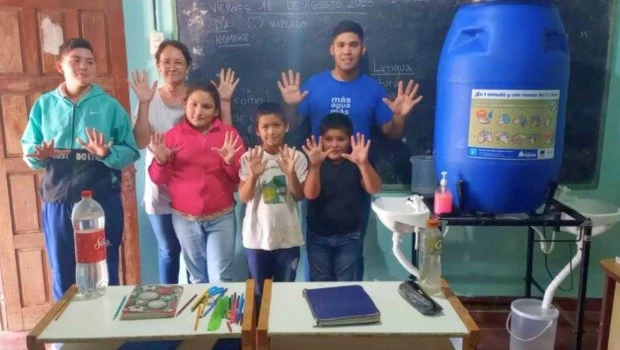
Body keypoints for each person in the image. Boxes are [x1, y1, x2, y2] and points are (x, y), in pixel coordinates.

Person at [277, 20, 423, 280]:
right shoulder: (315, 85)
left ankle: (352, 306)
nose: (347, 51)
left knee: (352, 251)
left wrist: (399, 116)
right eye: (341, 45)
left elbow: (392, 132)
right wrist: (289, 106)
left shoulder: (373, 89)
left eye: (353, 45)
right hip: (317, 176)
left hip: (357, 179)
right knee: (317, 251)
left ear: (363, 49)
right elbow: (293, 124)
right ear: (331, 49)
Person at [21, 37, 140, 301]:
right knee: (63, 271)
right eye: (75, 61)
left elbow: (131, 151)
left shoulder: (109, 106)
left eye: (89, 62)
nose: (83, 67)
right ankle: (66, 339)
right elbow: (29, 150)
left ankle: (106, 336)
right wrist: (38, 156)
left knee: (103, 269)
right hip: (58, 200)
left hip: (101, 200)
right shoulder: (44, 106)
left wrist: (106, 153)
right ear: (60, 65)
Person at [129, 39, 239, 284]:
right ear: (157, 65)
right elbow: (140, 141)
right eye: (166, 61)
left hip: (211, 204)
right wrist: (145, 103)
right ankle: (169, 306)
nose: (172, 66)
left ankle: (210, 315)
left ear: (188, 66)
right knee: (170, 251)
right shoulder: (155, 106)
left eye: (178, 62)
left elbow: (226, 140)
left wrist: (226, 102)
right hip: (166, 191)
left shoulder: (199, 97)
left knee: (213, 273)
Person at [148, 83, 245, 283]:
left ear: (216, 111)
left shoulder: (229, 135)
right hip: (185, 220)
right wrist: (160, 161)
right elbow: (159, 179)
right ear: (185, 105)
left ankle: (221, 316)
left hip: (221, 219)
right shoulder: (172, 136)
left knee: (221, 277)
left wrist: (228, 162)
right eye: (193, 104)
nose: (198, 112)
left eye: (206, 107)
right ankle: (201, 316)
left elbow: (240, 178)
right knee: (197, 278)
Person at [238, 102, 307, 300]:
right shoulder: (249, 158)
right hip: (256, 238)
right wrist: (252, 176)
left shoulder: (296, 157)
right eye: (265, 127)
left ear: (286, 126)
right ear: (258, 131)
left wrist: (291, 173)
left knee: (284, 294)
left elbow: (298, 196)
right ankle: (259, 332)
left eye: (276, 125)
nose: (271, 131)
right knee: (258, 294)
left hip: (288, 238)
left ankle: (279, 331)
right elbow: (244, 197)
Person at [303, 113, 381, 281]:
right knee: (319, 283)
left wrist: (363, 164)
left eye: (341, 139)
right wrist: (315, 167)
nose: (334, 144)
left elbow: (373, 188)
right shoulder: (316, 161)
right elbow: (310, 194)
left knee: (345, 285)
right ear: (321, 140)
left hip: (349, 237)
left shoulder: (358, 161)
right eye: (328, 139)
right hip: (318, 236)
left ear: (350, 139)